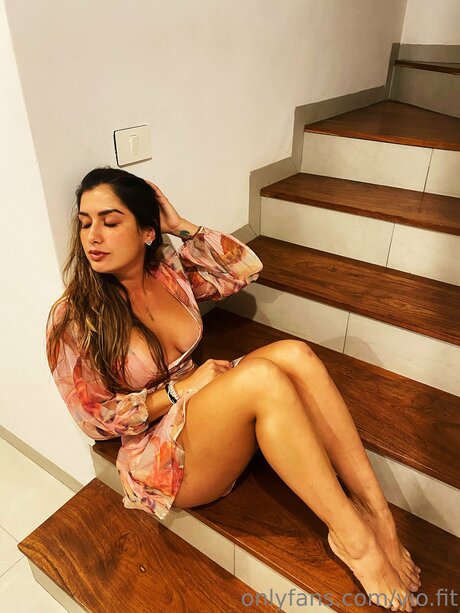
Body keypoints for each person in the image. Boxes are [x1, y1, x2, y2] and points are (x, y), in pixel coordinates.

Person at [47, 166, 421, 611]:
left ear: (147, 232)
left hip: (203, 407)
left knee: (296, 355)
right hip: (161, 452)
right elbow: (95, 421)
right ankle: (354, 541)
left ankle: (378, 514)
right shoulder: (74, 317)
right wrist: (177, 391)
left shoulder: (167, 272)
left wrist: (179, 225)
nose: (93, 237)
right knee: (263, 378)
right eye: (85, 223)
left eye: (110, 222)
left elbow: (243, 268)